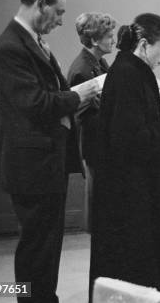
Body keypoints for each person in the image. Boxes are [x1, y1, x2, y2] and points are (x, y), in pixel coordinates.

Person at [0, 0, 100, 303]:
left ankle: (44, 298)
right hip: (30, 165)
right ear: (40, 3)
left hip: (46, 161)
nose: (62, 21)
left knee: (48, 243)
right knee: (36, 246)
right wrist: (80, 93)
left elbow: (49, 94)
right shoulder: (9, 46)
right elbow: (35, 104)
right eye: (59, 12)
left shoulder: (32, 41)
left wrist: (75, 97)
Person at [89, 13, 160, 301]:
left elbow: (136, 127)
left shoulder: (131, 68)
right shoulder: (128, 73)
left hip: (138, 180)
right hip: (133, 189)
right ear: (143, 43)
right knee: (140, 265)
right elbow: (130, 140)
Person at [67, 12, 117, 230]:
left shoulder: (99, 62)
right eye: (109, 36)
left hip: (101, 139)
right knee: (97, 195)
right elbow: (77, 113)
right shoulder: (82, 69)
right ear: (95, 40)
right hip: (92, 142)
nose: (114, 40)